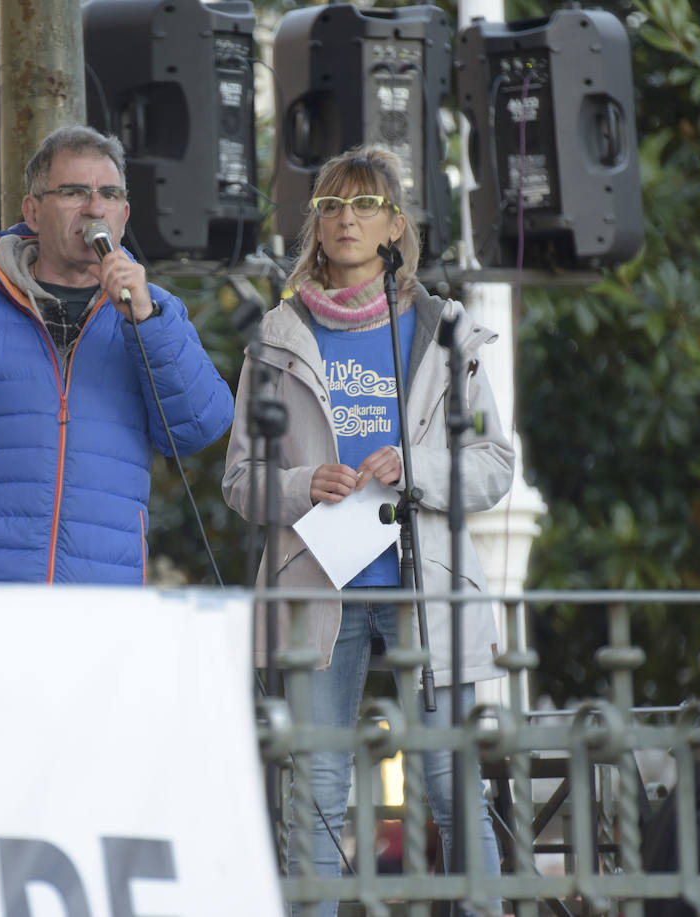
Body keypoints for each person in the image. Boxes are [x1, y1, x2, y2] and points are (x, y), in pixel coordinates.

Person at [222, 145, 513, 914]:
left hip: (426, 583)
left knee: (455, 783)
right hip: (319, 585)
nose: (346, 219)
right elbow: (239, 480)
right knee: (313, 793)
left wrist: (418, 467)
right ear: (314, 226)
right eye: (330, 206)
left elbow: (493, 464)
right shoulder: (275, 338)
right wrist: (297, 485)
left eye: (364, 205)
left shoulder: (445, 330)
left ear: (394, 226)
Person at [0, 125, 234, 586]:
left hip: (101, 600)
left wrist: (146, 320)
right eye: (74, 192)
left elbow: (199, 428)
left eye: (109, 194)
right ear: (33, 212)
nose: (95, 207)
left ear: (123, 214)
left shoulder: (154, 310)